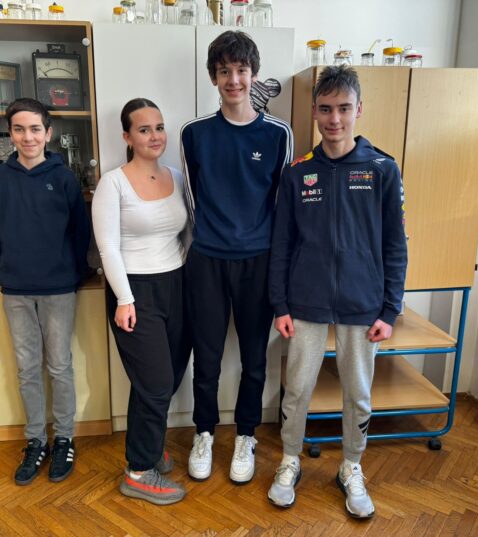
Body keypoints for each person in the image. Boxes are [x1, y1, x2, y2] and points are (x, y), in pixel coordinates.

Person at [267, 65, 407, 517]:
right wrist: (280, 304)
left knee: (358, 393)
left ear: (358, 109)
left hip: (363, 305)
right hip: (304, 302)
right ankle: (290, 460)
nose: (334, 119)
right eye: (326, 109)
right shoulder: (297, 173)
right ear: (314, 111)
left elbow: (395, 245)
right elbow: (282, 244)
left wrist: (390, 309)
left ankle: (351, 466)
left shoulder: (383, 168)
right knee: (297, 389)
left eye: (344, 108)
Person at [180, 30, 293, 484]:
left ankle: (246, 434)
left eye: (241, 70)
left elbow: (282, 204)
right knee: (205, 358)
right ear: (213, 77)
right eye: (224, 71)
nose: (233, 79)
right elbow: (192, 201)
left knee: (254, 359)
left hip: (258, 262)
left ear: (254, 74)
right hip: (207, 260)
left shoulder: (278, 134)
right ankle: (204, 432)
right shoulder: (194, 133)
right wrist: (215, 236)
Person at [0, 97, 90, 486]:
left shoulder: (64, 178)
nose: (27, 137)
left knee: (59, 365)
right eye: (19, 129)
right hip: (15, 289)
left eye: (34, 129)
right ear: (10, 134)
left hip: (58, 288)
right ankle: (35, 441)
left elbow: (80, 233)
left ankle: (63, 439)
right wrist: (2, 273)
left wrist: (72, 274)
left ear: (48, 133)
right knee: (27, 368)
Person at [93, 98, 191, 505]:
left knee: (167, 378)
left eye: (159, 127)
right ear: (127, 136)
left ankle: (149, 448)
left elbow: (186, 232)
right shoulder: (112, 183)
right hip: (134, 292)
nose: (155, 136)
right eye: (144, 129)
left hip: (177, 285)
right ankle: (137, 471)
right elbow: (108, 248)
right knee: (155, 383)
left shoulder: (177, 177)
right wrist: (124, 298)